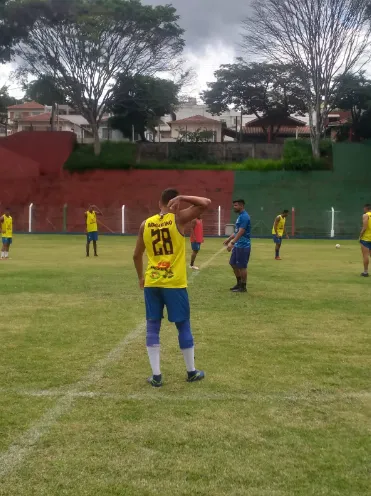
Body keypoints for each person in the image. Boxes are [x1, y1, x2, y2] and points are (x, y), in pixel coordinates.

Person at [133, 188, 211, 387]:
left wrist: (141, 277)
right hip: (174, 283)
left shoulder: (146, 224)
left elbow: (136, 255)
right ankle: (191, 372)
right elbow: (205, 203)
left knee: (152, 325)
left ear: (159, 201)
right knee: (183, 324)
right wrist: (184, 197)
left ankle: (157, 376)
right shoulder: (178, 218)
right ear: (174, 201)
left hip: (153, 281)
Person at [223, 199, 251, 293]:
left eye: (236, 205)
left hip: (243, 245)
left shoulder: (245, 217)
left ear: (241, 206)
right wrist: (229, 239)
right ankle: (239, 283)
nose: (234, 207)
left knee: (242, 266)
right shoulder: (240, 216)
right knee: (233, 263)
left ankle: (243, 287)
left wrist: (232, 243)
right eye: (234, 205)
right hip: (238, 245)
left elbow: (241, 231)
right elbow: (236, 231)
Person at [359, 203, 371, 277]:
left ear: (366, 208)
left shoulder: (366, 215)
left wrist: (360, 235)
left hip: (366, 238)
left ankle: (365, 272)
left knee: (365, 255)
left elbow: (365, 227)